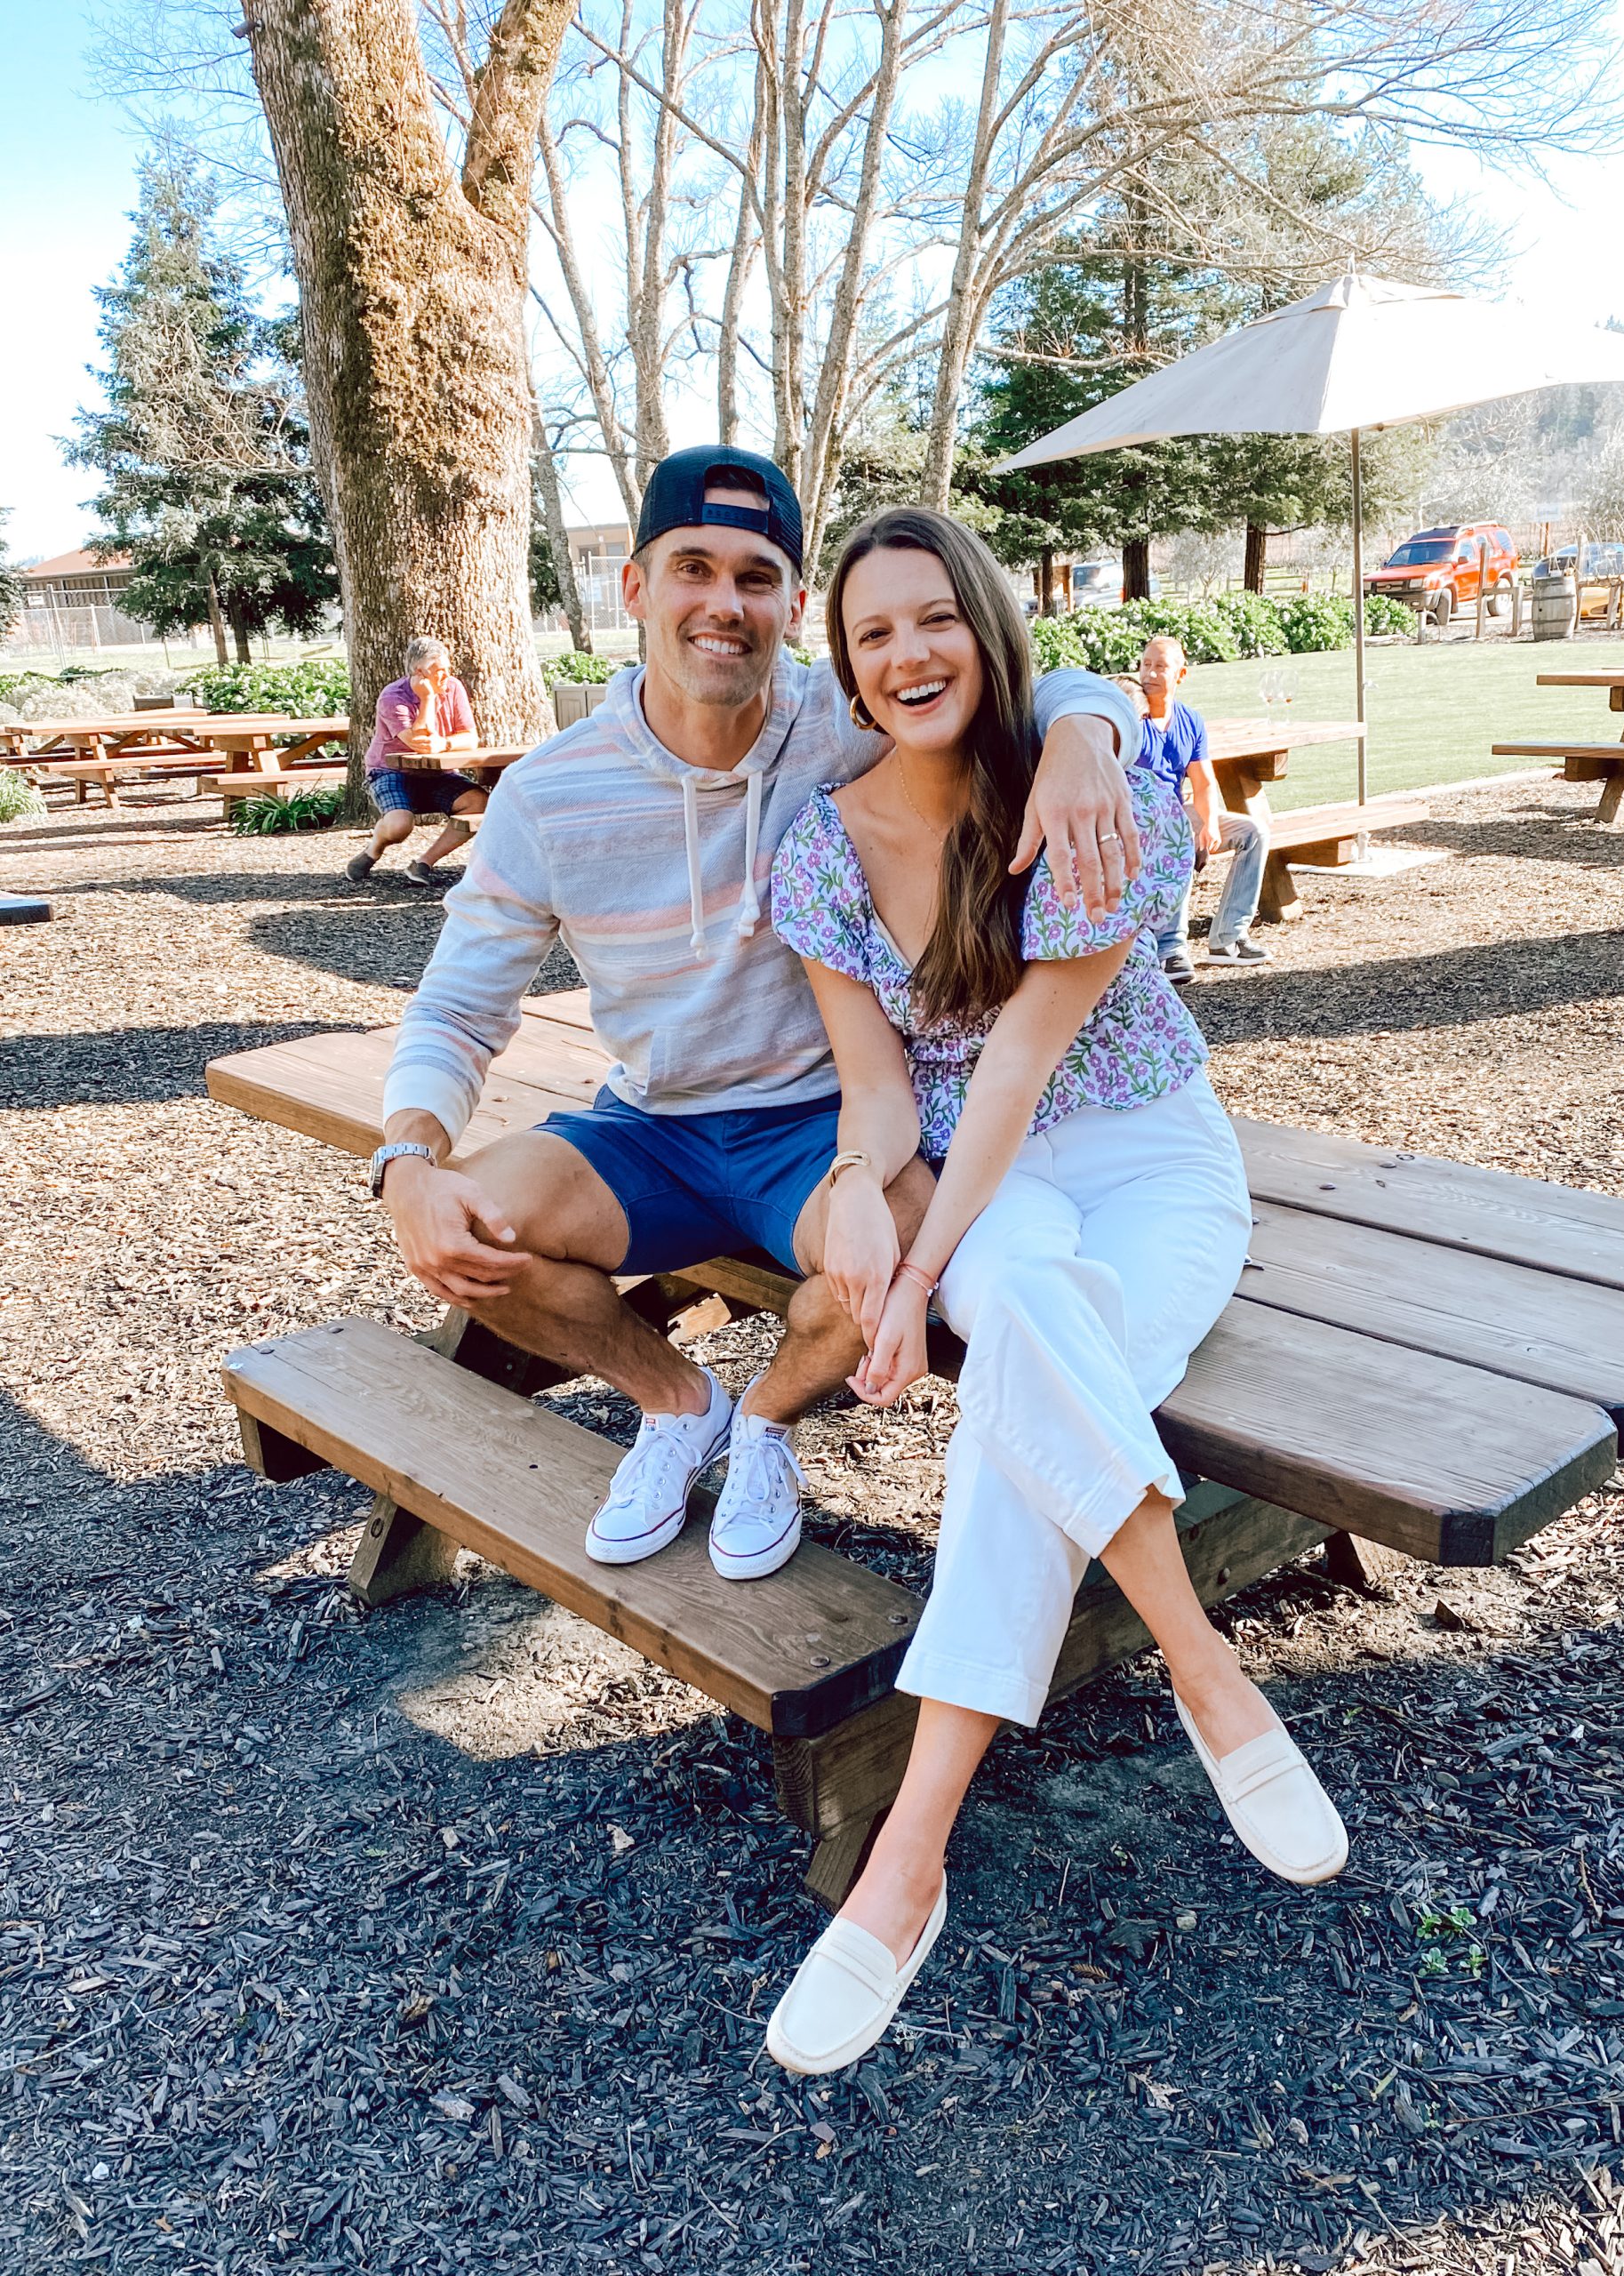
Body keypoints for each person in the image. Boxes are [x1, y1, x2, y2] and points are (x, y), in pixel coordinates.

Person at [763, 509, 1345, 2079]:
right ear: (849, 664)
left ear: (987, 625)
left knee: (1014, 1344)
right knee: (1020, 1309)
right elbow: (884, 1098)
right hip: (982, 1178)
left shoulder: (1089, 793)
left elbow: (1019, 1059)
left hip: (1146, 1157)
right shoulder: (821, 844)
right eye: (873, 634)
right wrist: (860, 1208)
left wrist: (924, 1280)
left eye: (933, 618)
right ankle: (1202, 1665)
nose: (907, 656)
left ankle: (909, 1865)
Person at [372, 445, 1142, 1584]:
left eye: (756, 575)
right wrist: (407, 1158)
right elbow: (458, 1005)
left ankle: (766, 1422)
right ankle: (679, 1402)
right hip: (649, 1127)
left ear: (791, 603)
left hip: (826, 1127)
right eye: (693, 568)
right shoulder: (547, 792)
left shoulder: (850, 720)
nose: (723, 605)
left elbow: (1021, 682)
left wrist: (1088, 736)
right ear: (635, 589)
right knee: (468, 1233)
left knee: (894, 1257)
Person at [1116, 641, 1271, 980]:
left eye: (1161, 666)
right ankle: (1170, 949)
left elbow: (1202, 783)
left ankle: (1228, 939)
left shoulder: (1190, 720)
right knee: (1180, 835)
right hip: (1134, 817)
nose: (1150, 673)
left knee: (1253, 833)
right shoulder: (1129, 715)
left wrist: (1210, 824)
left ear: (1181, 674)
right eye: (1145, 665)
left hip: (1177, 811)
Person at [346, 636, 488, 886]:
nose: (445, 677)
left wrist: (445, 744)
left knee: (480, 804)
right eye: (438, 672)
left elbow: (470, 737)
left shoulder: (454, 687)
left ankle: (423, 863)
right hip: (390, 771)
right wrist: (429, 698)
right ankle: (373, 849)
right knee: (401, 825)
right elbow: (419, 742)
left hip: (438, 774)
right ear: (418, 672)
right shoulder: (392, 697)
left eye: (447, 670)